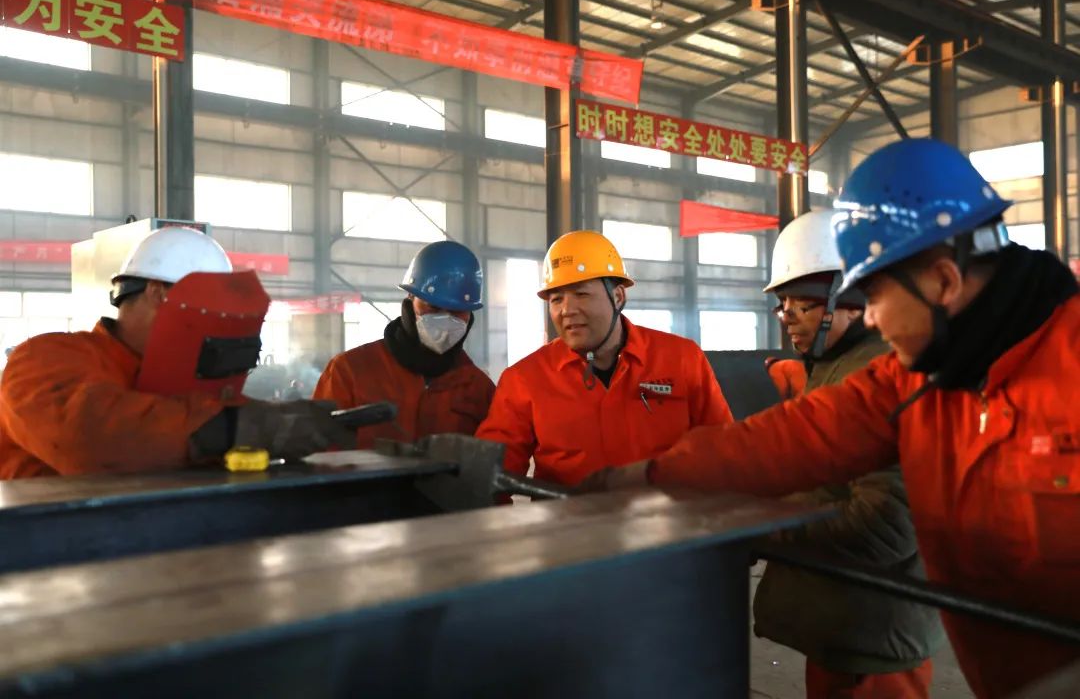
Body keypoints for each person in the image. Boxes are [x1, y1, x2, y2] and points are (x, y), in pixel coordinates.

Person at [584, 138, 1080, 698]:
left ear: (943, 282)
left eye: (874, 295)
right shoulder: (918, 379)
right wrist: (653, 476)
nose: (870, 317)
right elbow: (792, 438)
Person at [755, 209, 943, 698]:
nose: (788, 318)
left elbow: (888, 525)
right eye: (782, 305)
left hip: (875, 641)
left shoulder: (881, 375)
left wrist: (765, 526)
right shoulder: (833, 365)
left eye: (803, 304)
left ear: (852, 302)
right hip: (845, 625)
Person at [0, 227, 354, 479]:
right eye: (210, 308)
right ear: (158, 293)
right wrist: (249, 427)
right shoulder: (44, 358)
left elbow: (213, 418)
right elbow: (88, 435)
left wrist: (291, 418)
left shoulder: (186, 380)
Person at [476, 230, 732, 487]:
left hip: (670, 510)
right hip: (569, 513)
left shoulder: (681, 359)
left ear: (618, 297)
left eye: (581, 294)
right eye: (556, 299)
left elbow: (723, 450)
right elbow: (488, 478)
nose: (566, 310)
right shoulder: (525, 380)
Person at [314, 240, 495, 448]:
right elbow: (319, 451)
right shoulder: (348, 372)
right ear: (410, 298)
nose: (445, 320)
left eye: (457, 312)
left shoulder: (479, 389)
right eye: (433, 307)